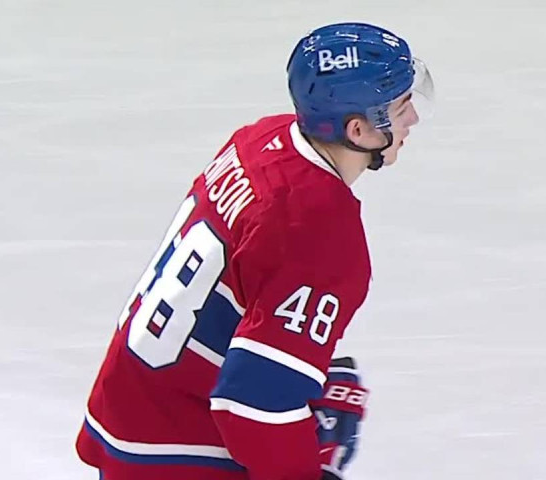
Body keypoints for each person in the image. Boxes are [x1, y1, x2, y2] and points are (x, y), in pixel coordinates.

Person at [75, 22, 434, 480]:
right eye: (401, 107)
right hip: (171, 451)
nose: (412, 119)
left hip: (131, 403)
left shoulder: (262, 138)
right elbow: (253, 407)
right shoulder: (321, 229)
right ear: (359, 129)